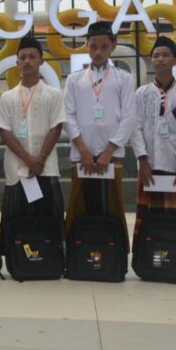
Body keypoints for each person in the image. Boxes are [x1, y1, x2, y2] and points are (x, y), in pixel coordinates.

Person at [64, 21, 136, 245]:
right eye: (93, 46)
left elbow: (129, 117)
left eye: (104, 47)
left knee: (111, 206)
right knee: (79, 205)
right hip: (81, 155)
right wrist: (83, 149)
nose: (98, 52)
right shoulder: (74, 79)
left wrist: (109, 150)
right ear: (86, 46)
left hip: (110, 156)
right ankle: (78, 250)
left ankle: (112, 251)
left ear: (113, 46)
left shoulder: (124, 78)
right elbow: (68, 116)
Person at [130, 36, 176, 248]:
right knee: (150, 219)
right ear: (151, 61)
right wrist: (142, 160)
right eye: (156, 55)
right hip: (149, 167)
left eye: (166, 55)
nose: (160, 59)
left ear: (175, 61)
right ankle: (148, 257)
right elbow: (136, 128)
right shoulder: (142, 93)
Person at [0, 37, 66, 243]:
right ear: (17, 62)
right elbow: (4, 131)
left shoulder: (54, 95)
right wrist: (28, 159)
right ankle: (17, 259)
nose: (27, 61)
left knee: (48, 220)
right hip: (17, 169)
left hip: (45, 168)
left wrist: (40, 159)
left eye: (32, 57)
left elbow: (57, 126)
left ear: (41, 61)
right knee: (17, 220)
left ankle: (50, 257)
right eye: (23, 57)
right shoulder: (7, 97)